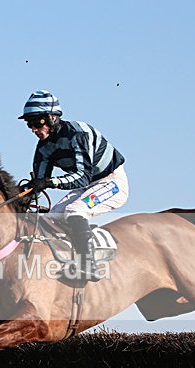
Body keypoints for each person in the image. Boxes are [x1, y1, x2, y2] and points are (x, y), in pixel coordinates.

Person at [19, 90, 129, 281]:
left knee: (74, 210)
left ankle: (89, 264)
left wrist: (50, 182)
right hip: (89, 185)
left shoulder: (77, 135)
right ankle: (67, 260)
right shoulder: (44, 147)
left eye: (38, 123)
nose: (34, 129)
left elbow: (82, 178)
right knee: (52, 217)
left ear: (53, 118)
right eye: (30, 124)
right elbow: (39, 182)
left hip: (111, 181)